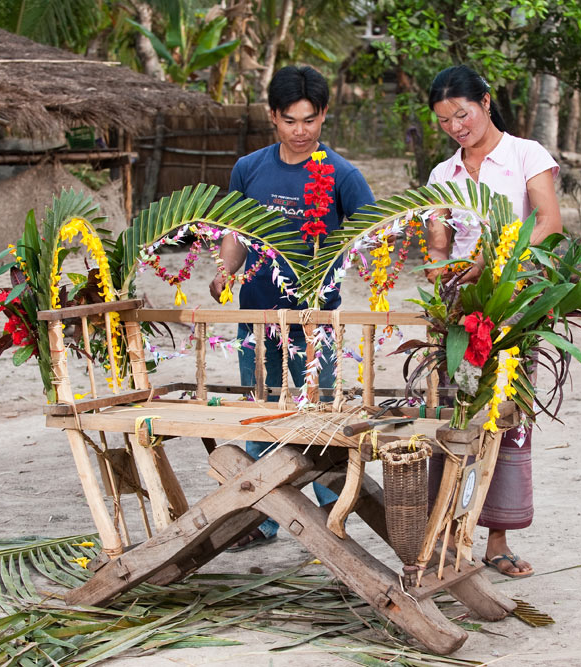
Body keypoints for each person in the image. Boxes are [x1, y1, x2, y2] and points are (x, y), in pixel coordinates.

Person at [209, 65, 375, 550]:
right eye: (290, 121)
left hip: (315, 322)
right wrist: (225, 270)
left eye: (310, 120)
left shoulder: (343, 174)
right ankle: (261, 519)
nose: (301, 131)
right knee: (263, 414)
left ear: (324, 115)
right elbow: (234, 232)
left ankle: (330, 521)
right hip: (256, 318)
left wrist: (359, 260)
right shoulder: (250, 168)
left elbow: (367, 235)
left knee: (320, 420)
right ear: (272, 117)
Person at [423, 65, 563, 577]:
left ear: (485, 101)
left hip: (512, 309)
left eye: (462, 113)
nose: (456, 126)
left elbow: (548, 223)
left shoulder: (526, 155)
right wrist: (439, 263)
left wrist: (497, 265)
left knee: (504, 418)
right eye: (444, 121)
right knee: (455, 413)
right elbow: (439, 246)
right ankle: (442, 531)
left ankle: (497, 539)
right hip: (461, 318)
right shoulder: (443, 176)